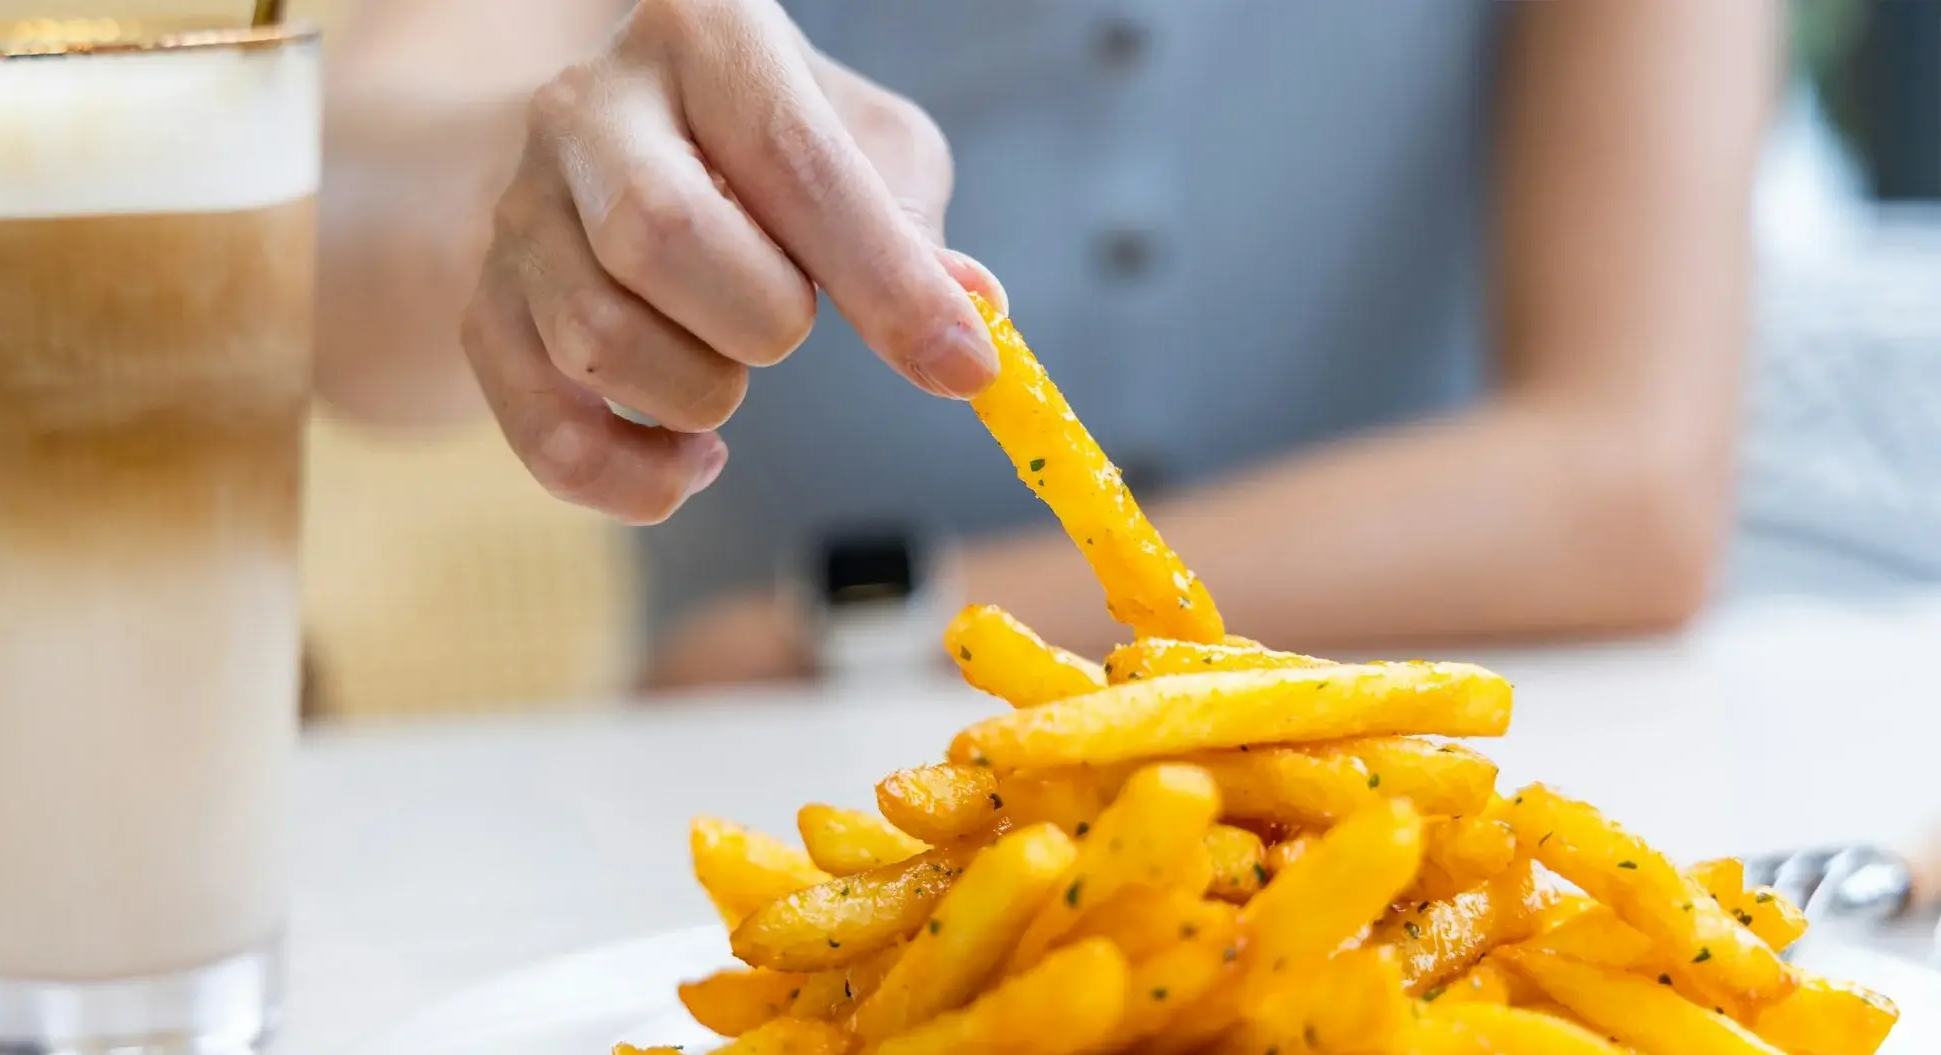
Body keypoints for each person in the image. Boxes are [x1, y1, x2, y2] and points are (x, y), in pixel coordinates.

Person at [317, 0, 1781, 689]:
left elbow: (1629, 483)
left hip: (1462, 786)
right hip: (745, 859)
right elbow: (324, 231)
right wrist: (529, 189)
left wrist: (861, 627)